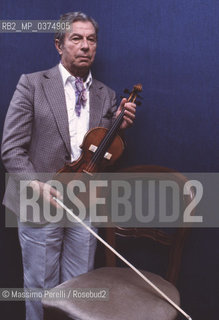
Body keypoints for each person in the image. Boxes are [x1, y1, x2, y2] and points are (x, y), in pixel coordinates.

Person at [1, 11, 136, 320]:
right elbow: (11, 148)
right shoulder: (32, 84)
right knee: (41, 287)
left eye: (91, 39)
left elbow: (101, 154)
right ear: (58, 44)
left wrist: (117, 130)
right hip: (40, 201)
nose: (85, 46)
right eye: (76, 38)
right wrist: (35, 184)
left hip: (84, 203)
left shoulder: (108, 95)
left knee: (79, 287)